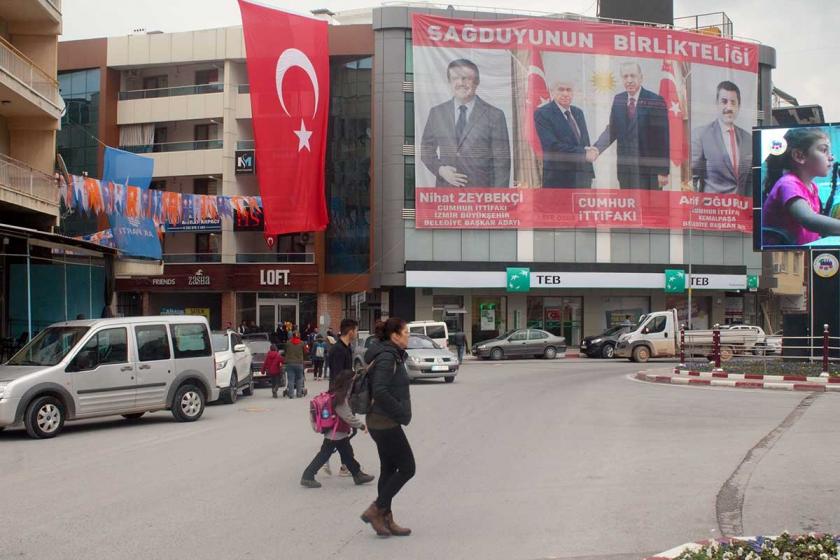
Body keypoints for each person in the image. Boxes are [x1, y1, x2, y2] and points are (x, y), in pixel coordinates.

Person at [360, 317, 415, 538]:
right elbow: (381, 390)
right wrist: (400, 411)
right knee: (408, 467)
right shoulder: (386, 357)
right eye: (406, 332)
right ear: (395, 336)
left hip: (381, 420)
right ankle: (377, 509)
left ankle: (385, 518)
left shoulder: (392, 354)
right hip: (384, 421)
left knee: (389, 469)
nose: (408, 336)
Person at [420, 58, 511, 188]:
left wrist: (499, 201)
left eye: (466, 78)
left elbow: (502, 164)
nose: (461, 83)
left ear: (477, 82)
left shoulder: (495, 115)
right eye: (455, 78)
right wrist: (441, 170)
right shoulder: (436, 113)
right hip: (445, 196)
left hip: (481, 198)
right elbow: (425, 149)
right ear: (449, 82)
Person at [590, 61, 670, 190]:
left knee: (648, 209)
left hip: (649, 171)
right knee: (629, 207)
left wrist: (663, 171)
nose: (629, 80)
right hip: (625, 170)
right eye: (625, 76)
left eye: (633, 76)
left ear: (641, 78)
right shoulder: (618, 99)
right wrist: (596, 148)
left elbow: (662, 139)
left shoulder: (655, 100)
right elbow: (613, 129)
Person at [761, 127, 838, 246]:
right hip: (785, 256)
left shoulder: (812, 187)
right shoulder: (788, 184)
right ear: (799, 156)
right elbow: (809, 219)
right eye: (824, 150)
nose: (831, 157)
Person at [300, 369, 376, 489]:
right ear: (348, 383)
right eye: (353, 381)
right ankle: (307, 476)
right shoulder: (340, 398)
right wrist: (362, 426)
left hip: (336, 432)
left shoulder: (334, 392)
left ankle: (357, 474)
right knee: (325, 455)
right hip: (336, 433)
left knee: (346, 454)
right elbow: (347, 416)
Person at [691, 80, 752, 196]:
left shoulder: (748, 139)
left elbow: (750, 180)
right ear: (716, 104)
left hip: (741, 211)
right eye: (724, 102)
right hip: (712, 210)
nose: (728, 107)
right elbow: (693, 178)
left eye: (733, 102)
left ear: (739, 106)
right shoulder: (701, 135)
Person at [534, 80, 594, 189]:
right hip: (558, 180)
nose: (565, 94)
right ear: (552, 92)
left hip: (583, 178)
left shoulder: (578, 112)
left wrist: (589, 173)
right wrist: (584, 153)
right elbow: (552, 147)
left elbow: (585, 143)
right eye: (561, 89)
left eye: (569, 90)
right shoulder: (543, 113)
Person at [283, 332, 307, 399]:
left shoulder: (288, 343)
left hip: (290, 363)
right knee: (299, 379)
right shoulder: (302, 343)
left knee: (290, 380)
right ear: (299, 336)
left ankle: (291, 395)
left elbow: (285, 351)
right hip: (299, 363)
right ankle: (299, 394)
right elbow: (305, 352)